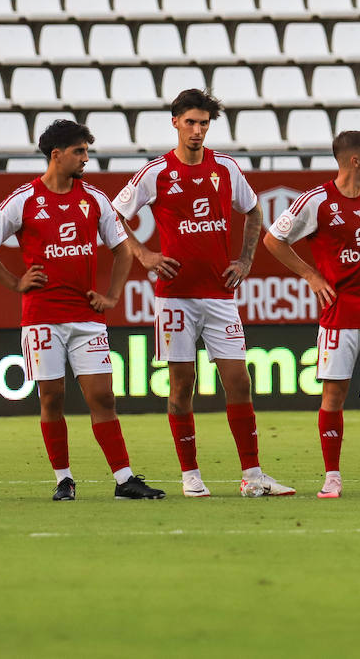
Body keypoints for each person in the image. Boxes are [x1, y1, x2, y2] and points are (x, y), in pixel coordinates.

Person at [112, 89, 294, 498]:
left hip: (219, 295)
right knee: (182, 385)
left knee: (238, 381)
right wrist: (143, 253)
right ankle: (190, 475)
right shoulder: (157, 172)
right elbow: (114, 214)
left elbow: (253, 211)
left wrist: (246, 260)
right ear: (175, 122)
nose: (197, 130)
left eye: (204, 123)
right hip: (174, 296)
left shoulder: (226, 168)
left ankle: (253, 475)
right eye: (191, 122)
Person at [0, 120, 164, 502]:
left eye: (87, 151)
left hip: (87, 319)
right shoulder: (23, 199)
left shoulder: (94, 199)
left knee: (103, 398)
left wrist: (110, 296)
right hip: (41, 318)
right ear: (56, 155)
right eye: (79, 152)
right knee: (51, 399)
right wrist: (15, 282)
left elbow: (123, 250)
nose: (86, 159)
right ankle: (64, 479)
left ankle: (125, 480)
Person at [264, 130, 360, 499]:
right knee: (333, 395)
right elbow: (273, 239)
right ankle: (332, 477)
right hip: (338, 318)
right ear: (355, 160)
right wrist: (310, 274)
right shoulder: (316, 201)